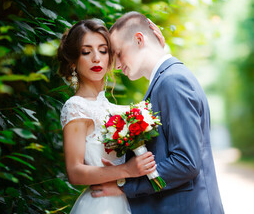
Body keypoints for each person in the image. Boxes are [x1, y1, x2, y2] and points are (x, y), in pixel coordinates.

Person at [90, 12, 224, 214]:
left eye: (118, 53)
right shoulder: (166, 80)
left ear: (139, 40)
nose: (116, 66)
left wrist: (126, 185)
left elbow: (186, 162)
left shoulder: (172, 81)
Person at [58, 19, 157, 214]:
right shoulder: (76, 107)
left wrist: (158, 47)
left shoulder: (118, 111)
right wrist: (127, 170)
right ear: (73, 63)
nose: (96, 58)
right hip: (100, 206)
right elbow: (75, 172)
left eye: (103, 50)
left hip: (126, 201)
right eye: (86, 52)